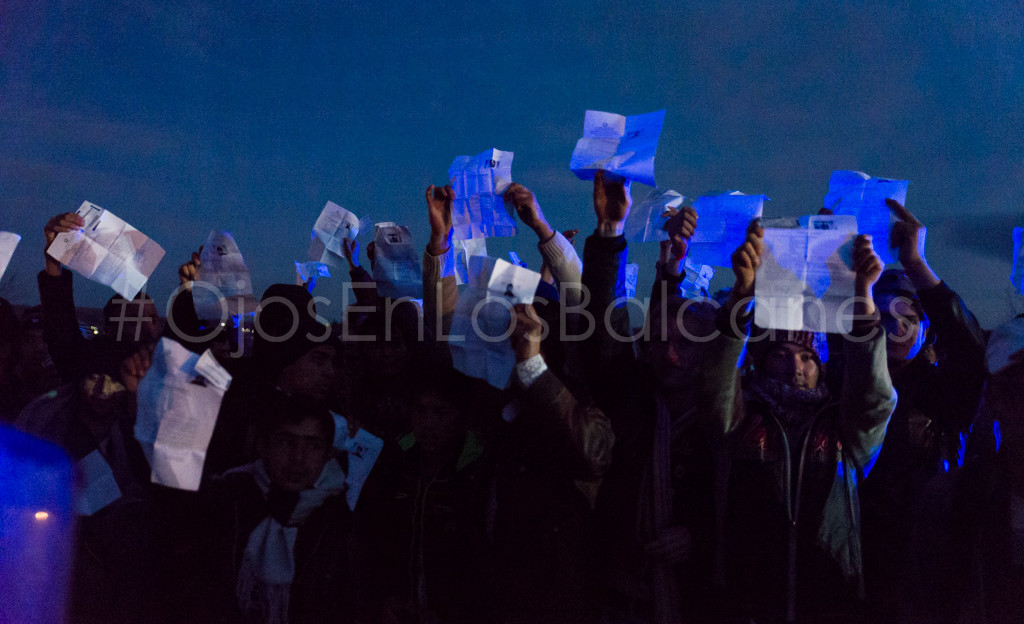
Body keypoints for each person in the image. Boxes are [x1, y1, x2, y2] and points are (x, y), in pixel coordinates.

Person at [696, 221, 896, 622]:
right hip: (748, 604)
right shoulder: (742, 419)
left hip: (829, 600)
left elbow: (876, 399)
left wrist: (863, 296)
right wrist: (742, 296)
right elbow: (715, 382)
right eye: (781, 355)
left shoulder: (843, 429)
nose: (796, 367)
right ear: (761, 362)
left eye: (807, 358)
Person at [859, 200, 986, 620]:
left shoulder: (943, 392)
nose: (895, 328)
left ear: (925, 328)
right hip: (853, 557)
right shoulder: (844, 388)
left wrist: (915, 263)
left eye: (907, 317)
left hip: (924, 559)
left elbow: (970, 351)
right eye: (883, 315)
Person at [173, 395, 356, 624]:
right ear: (263, 446)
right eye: (285, 442)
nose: (298, 458)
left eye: (313, 445)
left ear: (328, 455)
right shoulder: (227, 502)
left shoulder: (338, 521)